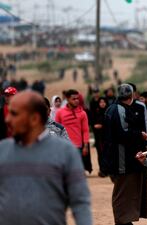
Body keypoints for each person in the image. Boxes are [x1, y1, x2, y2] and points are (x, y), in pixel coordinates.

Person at [0, 90, 92, 225]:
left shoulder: (66, 152)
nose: (7, 119)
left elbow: (80, 202)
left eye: (14, 114)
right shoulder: (3, 150)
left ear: (34, 118)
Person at [103, 84, 147, 225]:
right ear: (131, 96)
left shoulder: (113, 108)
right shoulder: (119, 110)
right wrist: (139, 134)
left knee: (128, 191)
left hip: (123, 158)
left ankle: (125, 220)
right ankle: (122, 220)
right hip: (123, 160)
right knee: (122, 192)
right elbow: (123, 134)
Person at [55, 89, 92, 174]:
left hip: (77, 147)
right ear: (67, 99)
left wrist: (85, 146)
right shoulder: (60, 112)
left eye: (77, 98)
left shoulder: (82, 113)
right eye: (74, 99)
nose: (76, 101)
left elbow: (85, 130)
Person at [92, 97, 108, 177]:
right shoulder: (96, 112)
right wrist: (95, 126)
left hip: (107, 137)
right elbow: (93, 123)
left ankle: (107, 170)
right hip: (98, 137)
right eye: (101, 102)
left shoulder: (108, 112)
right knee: (100, 154)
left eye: (104, 102)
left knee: (107, 153)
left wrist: (102, 126)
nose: (102, 103)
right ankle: (102, 170)